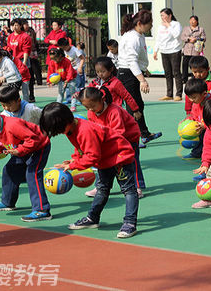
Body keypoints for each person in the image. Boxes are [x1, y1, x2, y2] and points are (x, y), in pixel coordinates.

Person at [39, 102, 139, 238]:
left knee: (128, 190)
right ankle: (92, 218)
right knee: (102, 189)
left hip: (120, 157)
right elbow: (79, 148)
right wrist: (74, 160)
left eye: (58, 129)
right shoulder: (71, 129)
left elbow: (93, 157)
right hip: (105, 159)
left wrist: (73, 166)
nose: (60, 133)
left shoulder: (85, 130)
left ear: (64, 122)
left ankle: (130, 223)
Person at [0, 101, 52, 222]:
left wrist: (20, 150)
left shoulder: (12, 125)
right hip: (21, 149)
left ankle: (42, 210)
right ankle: (7, 202)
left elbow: (34, 139)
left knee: (32, 174)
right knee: (9, 170)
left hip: (39, 147)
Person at [77, 87, 145, 199]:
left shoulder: (114, 111)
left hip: (128, 138)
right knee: (102, 161)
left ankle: (136, 187)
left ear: (102, 100)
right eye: (87, 107)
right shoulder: (91, 113)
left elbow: (119, 132)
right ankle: (100, 186)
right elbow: (93, 130)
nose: (91, 109)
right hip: (109, 139)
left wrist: (102, 140)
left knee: (131, 162)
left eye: (93, 106)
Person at [117, 9, 162, 145]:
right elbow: (131, 61)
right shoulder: (133, 38)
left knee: (137, 105)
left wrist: (144, 69)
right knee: (133, 106)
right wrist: (142, 80)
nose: (151, 26)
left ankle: (144, 134)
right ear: (141, 23)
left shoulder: (138, 35)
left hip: (132, 72)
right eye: (150, 23)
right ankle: (132, 137)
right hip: (127, 74)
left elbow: (139, 58)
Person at [88, 57, 141, 121]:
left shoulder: (115, 83)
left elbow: (127, 96)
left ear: (111, 69)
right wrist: (78, 94)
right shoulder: (95, 82)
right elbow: (87, 91)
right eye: (97, 72)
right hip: (100, 112)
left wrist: (135, 110)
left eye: (103, 71)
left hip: (114, 112)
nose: (100, 74)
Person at [154, 8, 183, 102]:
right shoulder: (160, 26)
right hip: (164, 51)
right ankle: (169, 94)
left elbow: (176, 35)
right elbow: (158, 39)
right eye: (161, 15)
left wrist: (168, 26)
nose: (162, 17)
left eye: (163, 15)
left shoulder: (176, 24)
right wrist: (155, 51)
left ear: (170, 15)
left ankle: (178, 94)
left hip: (175, 50)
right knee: (167, 73)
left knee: (176, 72)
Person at [57, 38, 85, 106]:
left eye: (64, 48)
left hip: (76, 69)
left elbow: (82, 58)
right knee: (67, 84)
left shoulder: (75, 50)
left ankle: (79, 99)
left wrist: (80, 67)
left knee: (77, 85)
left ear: (67, 45)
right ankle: (69, 99)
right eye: (62, 48)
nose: (63, 49)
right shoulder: (62, 51)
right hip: (68, 70)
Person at [180, 15, 206, 83]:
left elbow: (204, 38)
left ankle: (194, 78)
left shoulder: (200, 29)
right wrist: (188, 39)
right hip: (187, 50)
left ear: (197, 21)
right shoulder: (186, 28)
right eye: (191, 20)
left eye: (193, 20)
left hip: (195, 50)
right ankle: (184, 79)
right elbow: (182, 37)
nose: (192, 22)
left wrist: (196, 39)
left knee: (194, 65)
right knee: (185, 65)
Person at [22, 19, 42, 96]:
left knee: (35, 67)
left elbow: (34, 40)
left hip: (32, 51)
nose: (26, 26)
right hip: (24, 54)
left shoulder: (31, 31)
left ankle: (38, 81)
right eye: (25, 24)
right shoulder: (21, 33)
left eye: (27, 24)